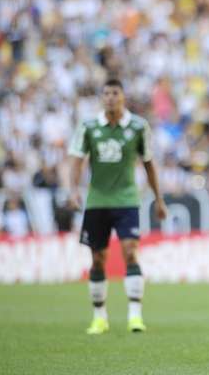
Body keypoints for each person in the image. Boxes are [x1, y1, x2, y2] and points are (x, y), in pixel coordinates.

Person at [68, 78, 167, 335]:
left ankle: (135, 315)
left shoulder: (137, 126)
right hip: (97, 201)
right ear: (102, 98)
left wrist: (159, 198)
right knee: (98, 259)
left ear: (123, 97)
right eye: (106, 93)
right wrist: (72, 190)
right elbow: (77, 160)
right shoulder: (89, 126)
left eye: (115, 93)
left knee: (130, 251)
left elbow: (148, 163)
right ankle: (99, 317)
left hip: (127, 200)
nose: (110, 97)